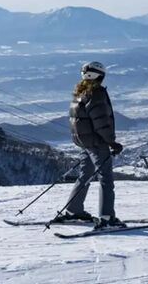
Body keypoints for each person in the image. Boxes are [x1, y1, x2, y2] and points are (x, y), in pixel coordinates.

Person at [54, 61, 126, 229]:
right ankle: (107, 218)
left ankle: (73, 210)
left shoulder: (79, 92)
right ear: (99, 76)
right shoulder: (96, 93)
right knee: (106, 180)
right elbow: (101, 122)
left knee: (85, 174)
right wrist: (111, 142)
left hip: (85, 142)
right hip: (96, 142)